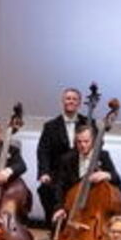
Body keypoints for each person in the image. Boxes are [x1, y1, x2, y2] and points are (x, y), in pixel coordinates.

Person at [35, 89, 90, 223]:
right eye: (68, 98)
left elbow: (97, 144)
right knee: (44, 190)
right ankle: (53, 225)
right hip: (57, 172)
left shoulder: (88, 122)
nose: (71, 101)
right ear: (63, 101)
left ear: (79, 103)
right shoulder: (50, 126)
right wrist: (44, 173)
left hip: (81, 171)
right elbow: (43, 151)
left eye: (74, 99)